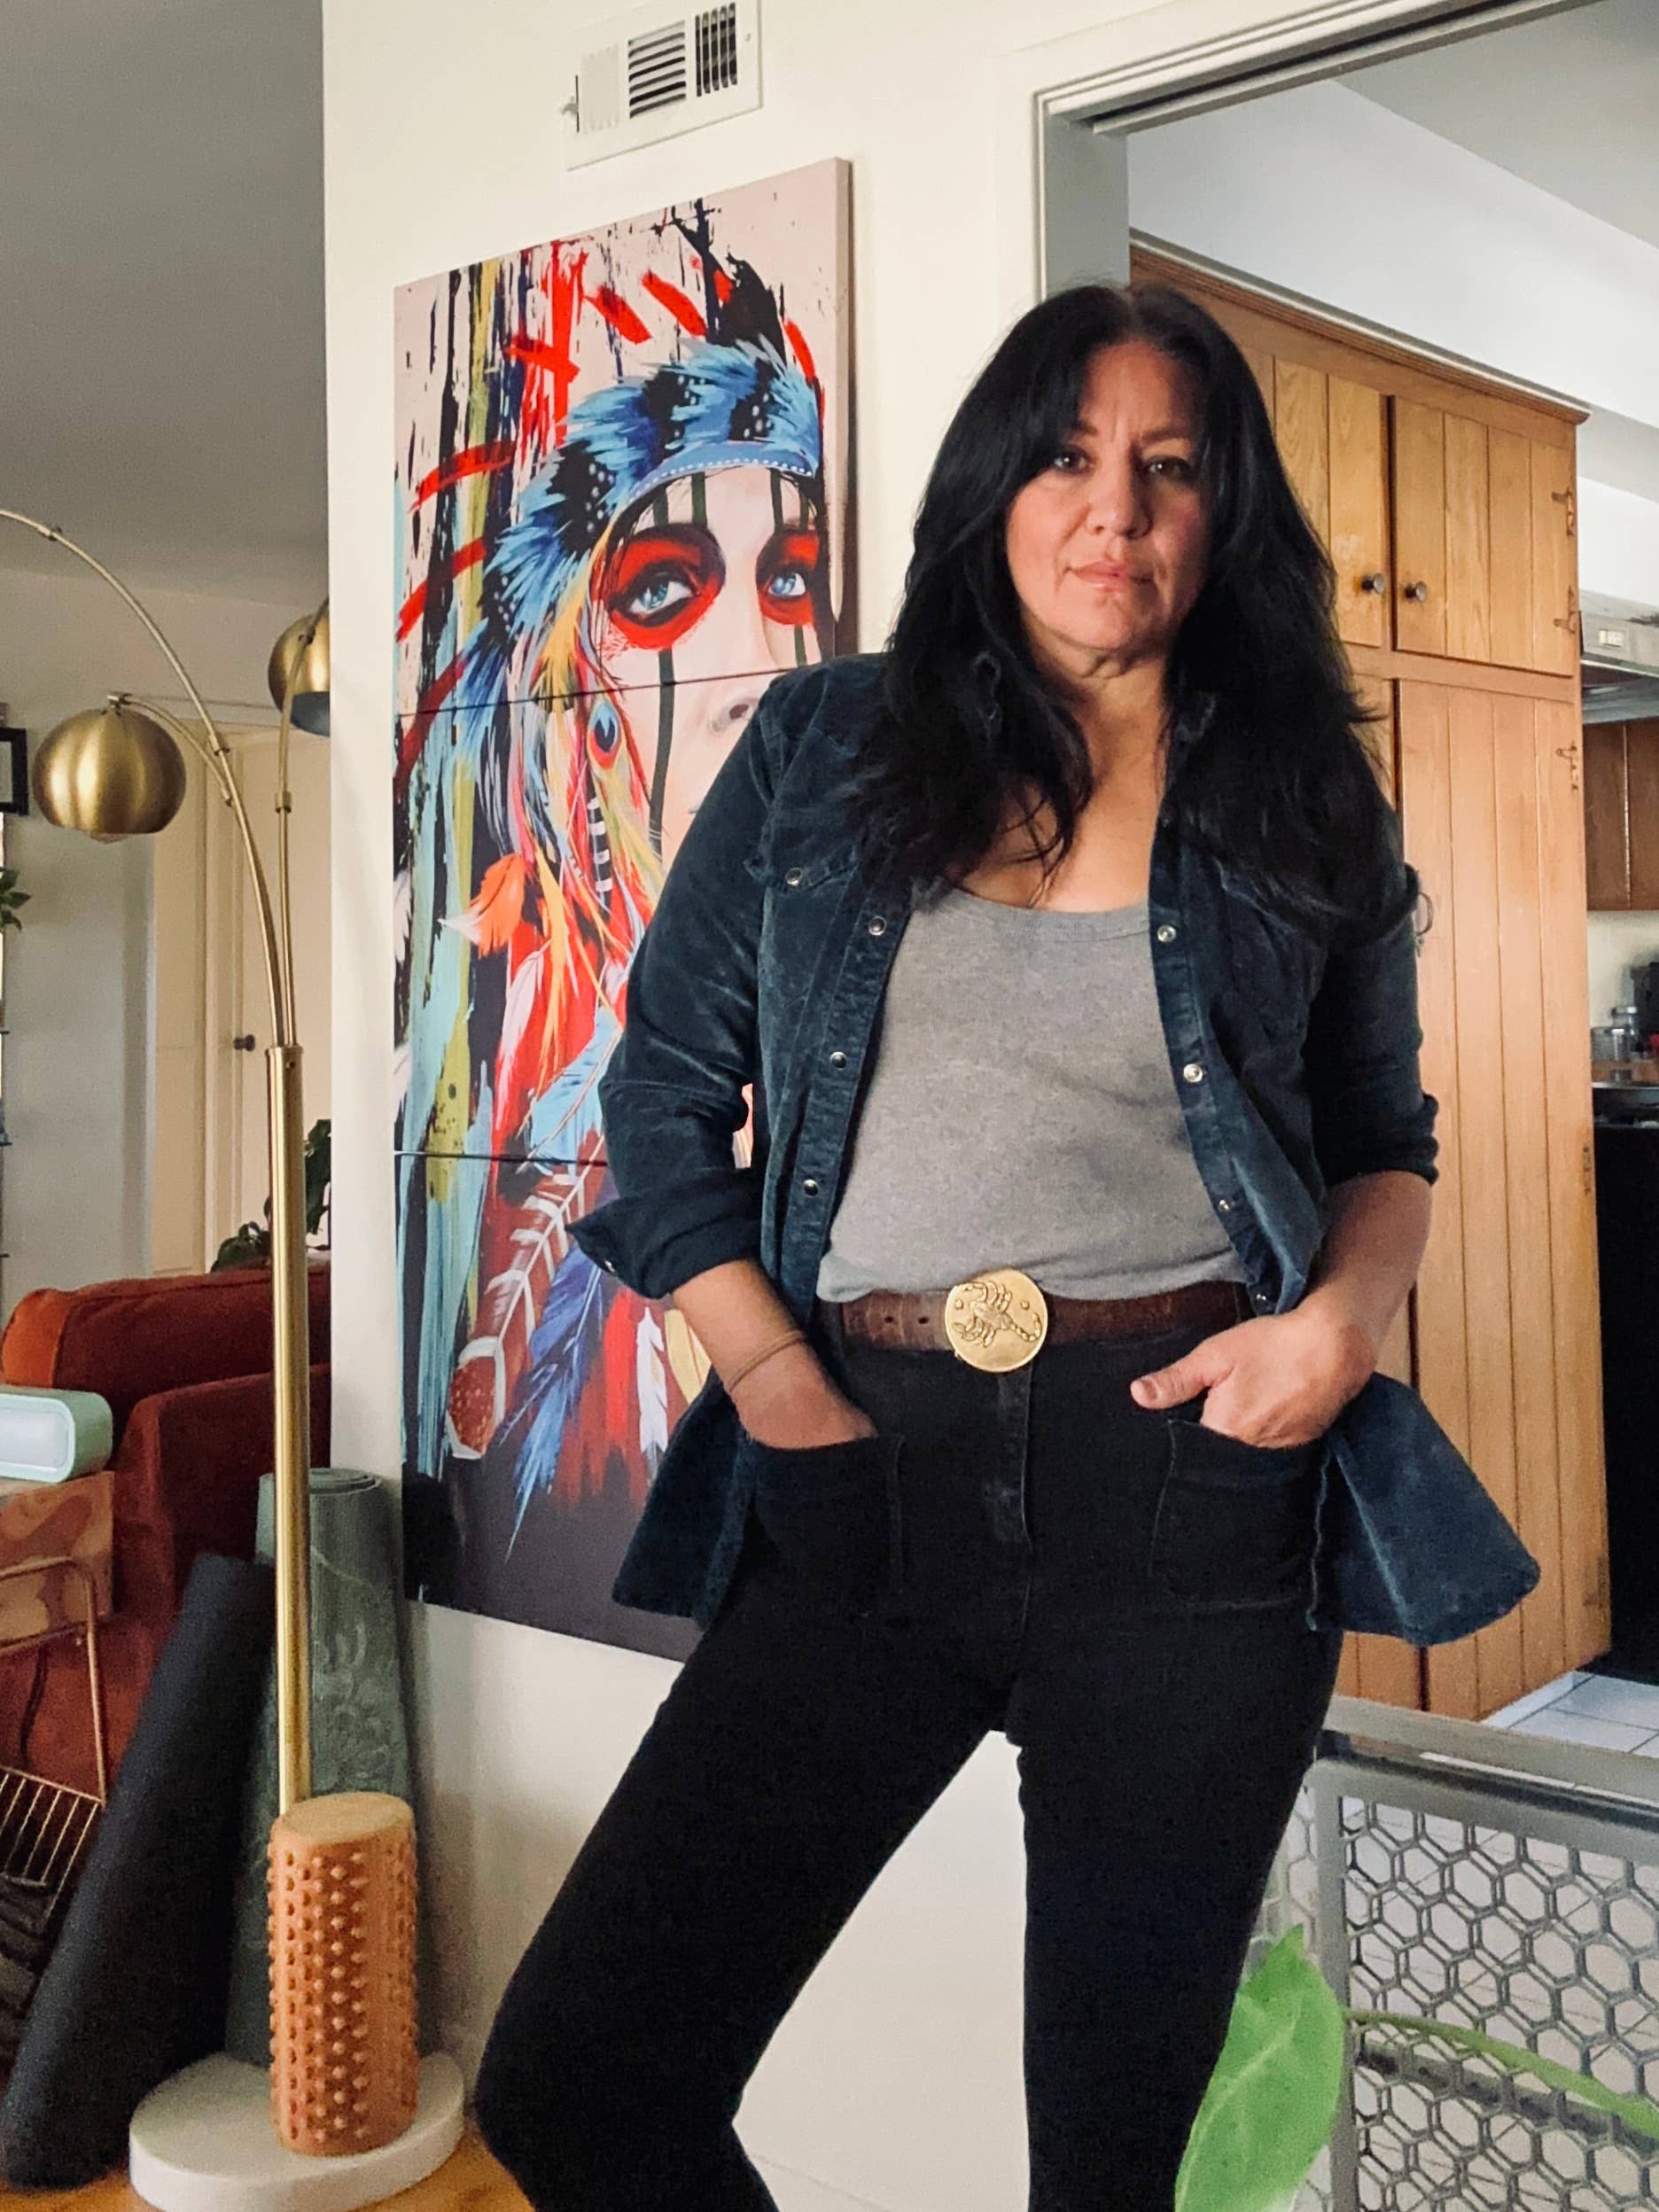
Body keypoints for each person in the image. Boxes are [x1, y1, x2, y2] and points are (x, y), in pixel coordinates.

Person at [473, 281, 1442, 2209]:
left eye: (1170, 468)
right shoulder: (825, 746)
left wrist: (1338, 1324)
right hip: (866, 1473)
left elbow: (1380, 1144)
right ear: (996, 489)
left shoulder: (1301, 790)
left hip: (1190, 1499)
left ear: (1225, 513)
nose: (1116, 509)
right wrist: (773, 1377)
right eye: (1068, 458)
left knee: (1108, 2165)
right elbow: (659, 1103)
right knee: (582, 2079)